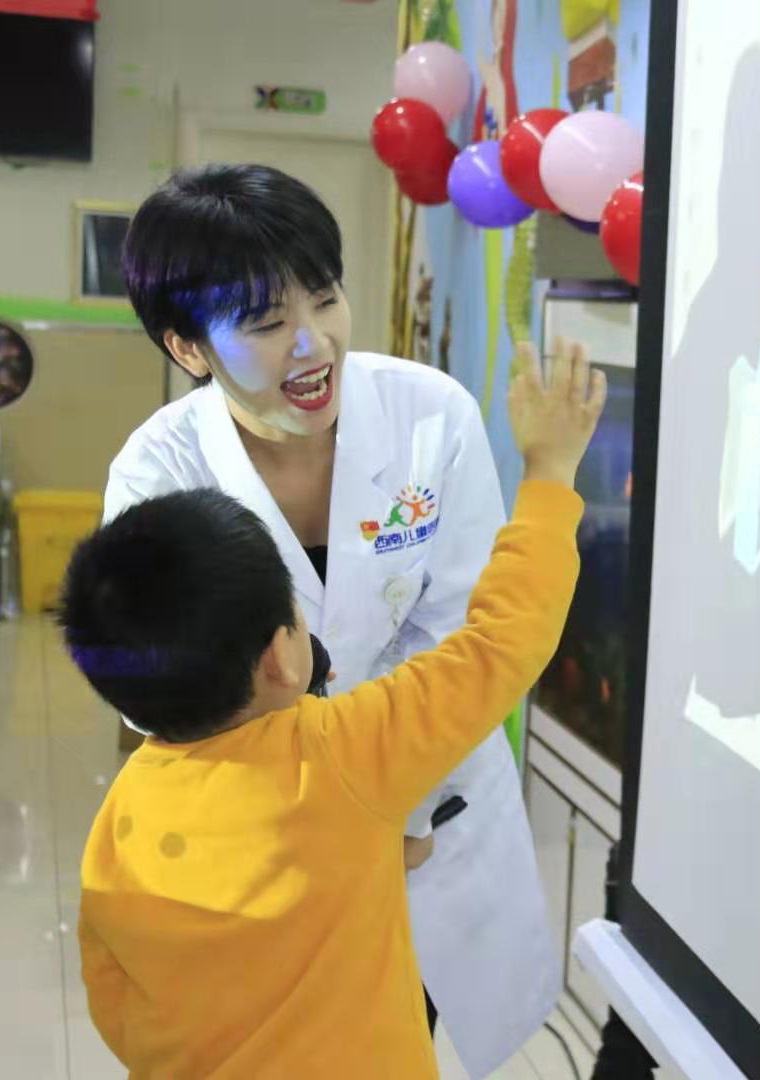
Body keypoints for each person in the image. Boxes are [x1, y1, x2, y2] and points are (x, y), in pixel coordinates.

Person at [102, 163, 558, 1075]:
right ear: (188, 347)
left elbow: (465, 630)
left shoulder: (431, 416)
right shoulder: (159, 477)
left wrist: (392, 802)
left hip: (433, 814)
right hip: (270, 845)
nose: (313, 345)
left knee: (406, 1034)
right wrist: (335, 807)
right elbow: (161, 690)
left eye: (325, 298)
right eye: (266, 323)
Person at [61, 345, 605, 1077]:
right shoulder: (347, 751)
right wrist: (550, 473)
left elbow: (112, 992)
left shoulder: (121, 820)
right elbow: (502, 642)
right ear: (283, 659)